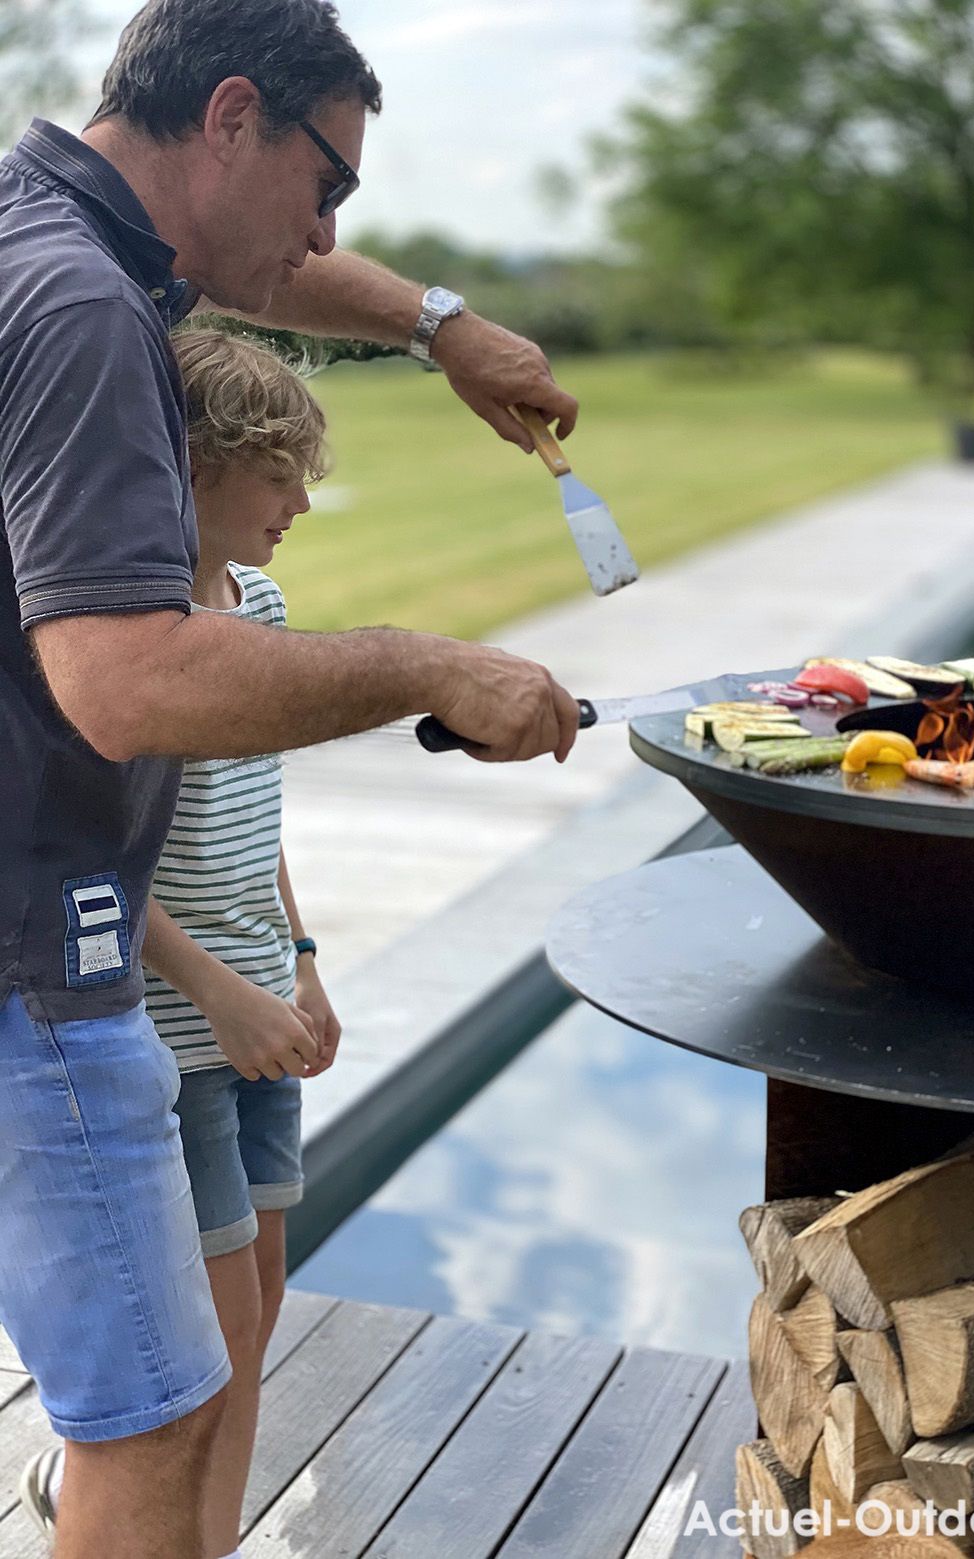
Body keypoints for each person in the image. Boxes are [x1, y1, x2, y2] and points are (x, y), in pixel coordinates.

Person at [0, 3, 581, 1557]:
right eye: (328, 183)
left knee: (173, 1398)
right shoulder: (73, 302)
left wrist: (439, 322)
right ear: (233, 117)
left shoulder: (56, 227)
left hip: (53, 949)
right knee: (150, 1413)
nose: (329, 228)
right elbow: (123, 680)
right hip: (28, 956)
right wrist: (425, 666)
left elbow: (276, 265)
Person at [21, 328, 342, 1554]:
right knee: (201, 1341)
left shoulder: (252, 606)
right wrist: (219, 995)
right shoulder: (128, 648)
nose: (301, 504)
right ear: (196, 468)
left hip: (262, 1006)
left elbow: (257, 817)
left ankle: (197, 1529)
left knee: (255, 1309)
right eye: (278, 477)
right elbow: (96, 853)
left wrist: (300, 963)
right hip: (180, 1021)